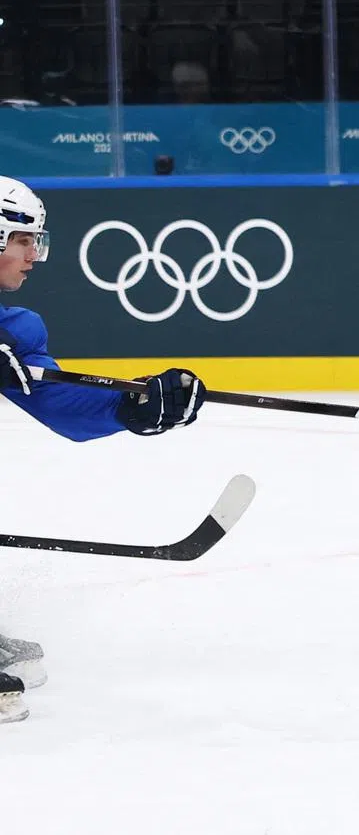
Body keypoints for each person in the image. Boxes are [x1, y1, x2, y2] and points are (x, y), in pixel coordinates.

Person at [0, 175, 206, 723]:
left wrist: (134, 405)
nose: (33, 256)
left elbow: (55, 401)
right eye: (25, 242)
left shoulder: (13, 329)